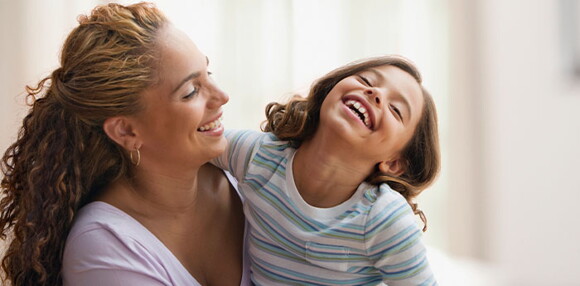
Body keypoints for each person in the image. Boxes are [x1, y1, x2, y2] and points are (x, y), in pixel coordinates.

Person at [0, 3, 249, 285]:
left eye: (209, 73)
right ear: (126, 131)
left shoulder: (246, 179)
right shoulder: (104, 247)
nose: (222, 96)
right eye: (191, 91)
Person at [213, 55, 441, 285]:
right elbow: (192, 142)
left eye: (395, 109)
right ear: (331, 90)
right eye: (367, 81)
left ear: (393, 163)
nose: (375, 93)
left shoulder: (384, 219)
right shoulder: (259, 156)